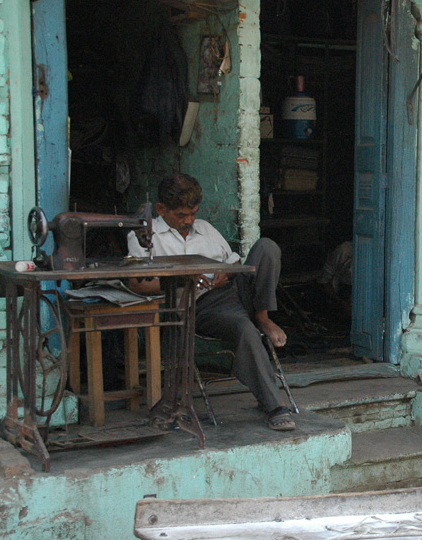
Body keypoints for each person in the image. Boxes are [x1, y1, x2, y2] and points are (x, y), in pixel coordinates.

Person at [126, 173, 296, 431]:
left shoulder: (204, 228)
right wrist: (182, 279)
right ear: (161, 209)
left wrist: (224, 272)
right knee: (243, 329)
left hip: (233, 290)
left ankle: (263, 317)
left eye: (193, 213)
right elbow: (138, 284)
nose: (189, 221)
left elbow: (235, 262)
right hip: (203, 305)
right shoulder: (145, 236)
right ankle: (274, 405)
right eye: (182, 215)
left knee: (267, 248)